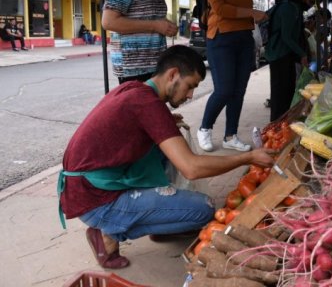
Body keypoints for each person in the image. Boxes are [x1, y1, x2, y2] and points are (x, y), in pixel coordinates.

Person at [58, 45, 276, 269]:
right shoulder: (148, 104)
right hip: (94, 200)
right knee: (205, 209)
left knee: (166, 150)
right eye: (190, 86)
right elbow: (191, 168)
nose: (190, 95)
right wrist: (247, 157)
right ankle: (107, 234)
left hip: (83, 188)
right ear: (172, 75)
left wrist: (165, 123)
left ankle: (160, 221)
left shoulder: (137, 90)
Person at [197, 0, 268, 152]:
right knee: (224, 89)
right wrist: (252, 12)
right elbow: (221, 9)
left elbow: (238, 8)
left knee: (238, 91)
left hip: (244, 39)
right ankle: (204, 128)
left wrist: (254, 16)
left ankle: (231, 135)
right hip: (221, 39)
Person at [265, 0, 322, 121]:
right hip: (280, 56)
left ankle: (281, 124)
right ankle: (276, 127)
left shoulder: (293, 7)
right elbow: (287, 37)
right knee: (280, 96)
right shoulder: (288, 8)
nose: (310, 7)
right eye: (310, 2)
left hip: (286, 56)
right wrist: (302, 54)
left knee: (287, 94)